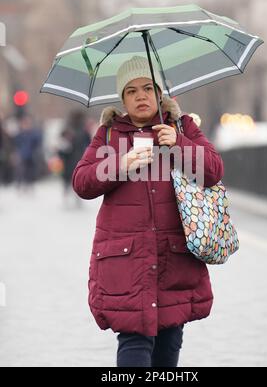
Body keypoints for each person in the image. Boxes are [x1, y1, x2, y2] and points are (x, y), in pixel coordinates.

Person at [72, 56, 224, 367]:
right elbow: (82, 183)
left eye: (148, 88)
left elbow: (214, 171)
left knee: (168, 347)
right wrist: (120, 164)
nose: (141, 96)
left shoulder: (182, 126)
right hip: (126, 260)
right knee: (134, 342)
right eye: (131, 91)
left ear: (160, 93)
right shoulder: (110, 134)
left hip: (174, 257)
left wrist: (180, 144)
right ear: (122, 99)